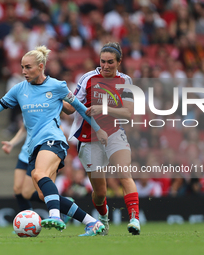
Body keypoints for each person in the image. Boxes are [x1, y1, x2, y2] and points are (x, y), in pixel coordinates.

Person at [0, 46, 108, 236]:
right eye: (22, 67)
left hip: (54, 140)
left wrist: (99, 130)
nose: (23, 71)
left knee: (39, 173)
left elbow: (80, 109)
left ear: (40, 66)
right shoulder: (19, 90)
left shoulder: (57, 86)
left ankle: (55, 216)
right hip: (33, 147)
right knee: (42, 194)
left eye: (28, 67)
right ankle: (92, 223)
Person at [63, 42, 141, 235]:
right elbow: (71, 108)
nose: (105, 66)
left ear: (119, 62)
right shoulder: (87, 78)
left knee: (125, 174)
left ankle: (134, 220)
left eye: (110, 62)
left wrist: (103, 108)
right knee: (100, 193)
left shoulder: (126, 80)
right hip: (89, 138)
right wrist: (57, 99)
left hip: (114, 132)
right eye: (103, 62)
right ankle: (104, 220)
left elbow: (128, 113)